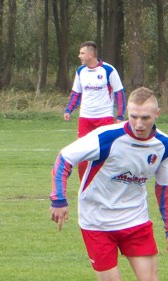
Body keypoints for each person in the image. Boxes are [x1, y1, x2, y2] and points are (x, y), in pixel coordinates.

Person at [51, 87, 168, 281]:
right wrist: (59, 199)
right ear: (126, 113)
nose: (139, 123)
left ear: (157, 114)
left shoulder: (164, 145)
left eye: (145, 117)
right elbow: (64, 158)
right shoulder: (106, 136)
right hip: (96, 222)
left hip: (135, 220)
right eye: (133, 117)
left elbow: (167, 187)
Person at [64, 41, 126, 180]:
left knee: (106, 152)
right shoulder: (81, 71)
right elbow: (76, 93)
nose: (79, 56)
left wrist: (120, 115)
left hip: (104, 117)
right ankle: (84, 185)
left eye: (82, 53)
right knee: (82, 153)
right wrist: (69, 109)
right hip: (85, 118)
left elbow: (119, 93)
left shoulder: (108, 70)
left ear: (91, 55)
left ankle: (106, 182)